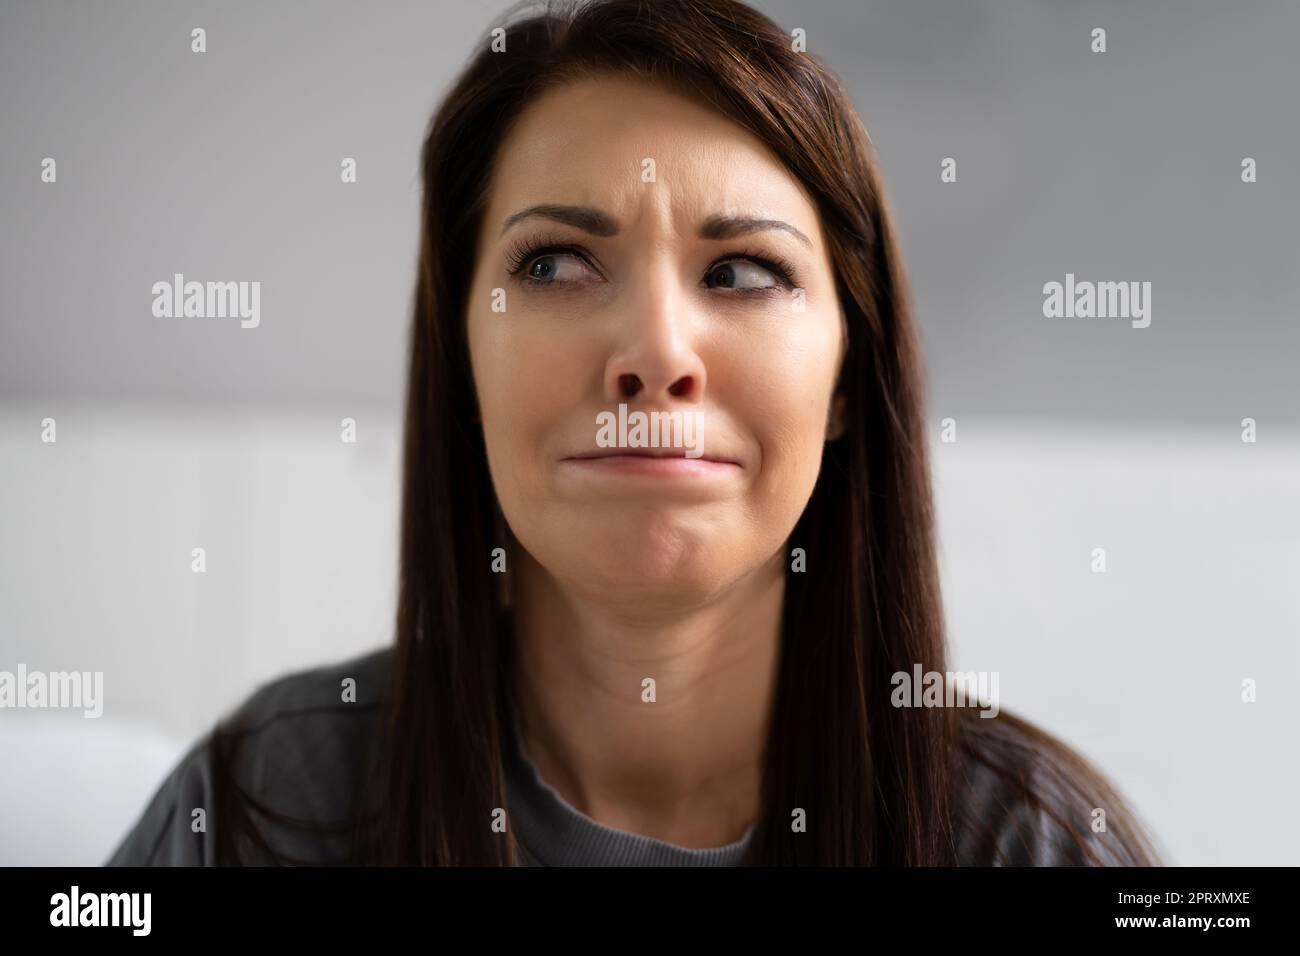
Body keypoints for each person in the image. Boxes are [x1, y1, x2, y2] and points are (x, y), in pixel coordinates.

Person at [107, 0, 1161, 867]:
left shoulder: (1035, 842)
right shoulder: (253, 810)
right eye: (556, 264)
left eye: (742, 271)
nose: (656, 352)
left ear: (848, 377)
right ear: (463, 356)